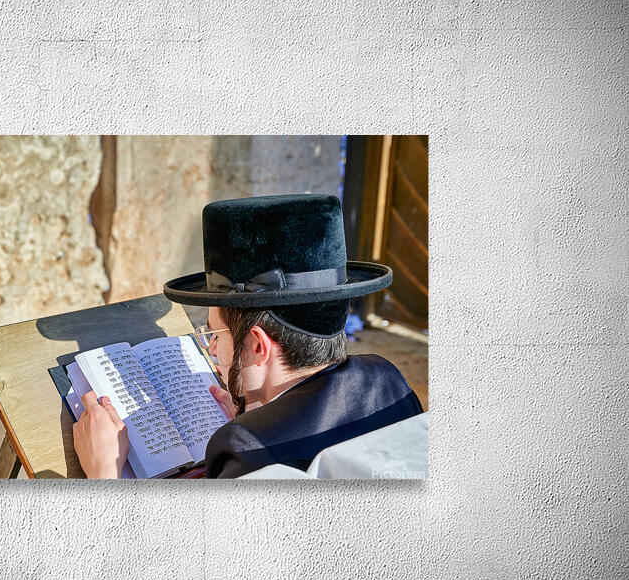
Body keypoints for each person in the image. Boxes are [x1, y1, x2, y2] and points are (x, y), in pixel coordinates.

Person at [73, 194, 424, 478]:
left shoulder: (245, 446)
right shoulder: (387, 379)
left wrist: (104, 473)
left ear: (257, 345)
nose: (210, 347)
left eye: (215, 334)